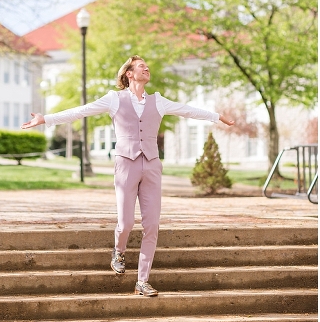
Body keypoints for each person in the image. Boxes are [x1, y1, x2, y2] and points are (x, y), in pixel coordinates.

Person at [22, 55, 234, 297]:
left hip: (152, 166)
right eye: (141, 66)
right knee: (126, 223)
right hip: (126, 164)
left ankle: (142, 281)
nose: (146, 68)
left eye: (147, 66)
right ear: (129, 74)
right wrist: (46, 119)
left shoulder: (159, 101)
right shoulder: (114, 99)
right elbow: (82, 111)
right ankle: (119, 251)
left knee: (152, 225)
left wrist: (217, 117)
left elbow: (188, 111)